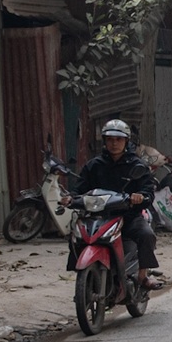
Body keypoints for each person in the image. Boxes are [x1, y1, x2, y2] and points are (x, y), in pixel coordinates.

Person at [70, 119, 158, 288]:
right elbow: (79, 188)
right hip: (98, 216)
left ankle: (143, 275)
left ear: (126, 141)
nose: (114, 143)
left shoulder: (137, 165)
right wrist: (71, 198)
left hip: (128, 216)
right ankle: (81, 269)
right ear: (104, 141)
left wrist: (140, 197)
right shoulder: (94, 165)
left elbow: (148, 191)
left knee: (146, 235)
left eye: (118, 139)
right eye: (110, 139)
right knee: (76, 235)